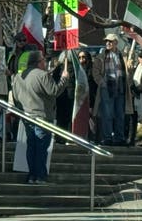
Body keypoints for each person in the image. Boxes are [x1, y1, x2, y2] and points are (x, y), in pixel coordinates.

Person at [12, 51, 69, 183]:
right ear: (38, 62)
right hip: (42, 117)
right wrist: (64, 78)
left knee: (31, 146)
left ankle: (32, 175)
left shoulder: (18, 77)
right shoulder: (43, 75)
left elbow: (15, 98)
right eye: (43, 60)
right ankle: (40, 176)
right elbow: (54, 91)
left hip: (26, 116)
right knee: (41, 148)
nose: (45, 62)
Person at [92, 33, 130, 146]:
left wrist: (130, 68)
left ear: (116, 43)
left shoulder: (123, 56)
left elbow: (127, 73)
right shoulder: (101, 56)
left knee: (120, 115)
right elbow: (96, 73)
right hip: (107, 89)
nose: (107, 43)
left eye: (110, 41)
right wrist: (102, 83)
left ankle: (119, 138)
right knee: (107, 115)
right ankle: (107, 137)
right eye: (106, 41)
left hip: (120, 88)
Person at [77, 51, 100, 143]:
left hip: (90, 99)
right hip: (79, 99)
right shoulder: (78, 70)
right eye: (79, 57)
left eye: (83, 57)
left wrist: (91, 103)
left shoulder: (92, 70)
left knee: (91, 121)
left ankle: (92, 138)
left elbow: (94, 87)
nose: (81, 60)